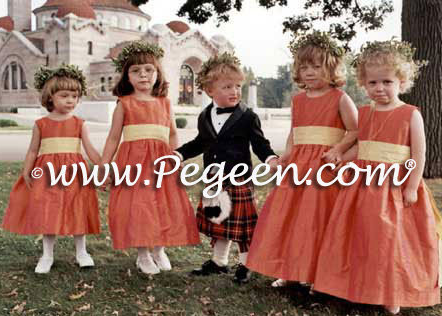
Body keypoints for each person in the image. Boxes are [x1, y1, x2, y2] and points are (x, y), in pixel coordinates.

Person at [313, 39, 442, 314]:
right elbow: (362, 147)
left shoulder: (409, 114)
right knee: (361, 236)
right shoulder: (365, 113)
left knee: (390, 241)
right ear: (363, 84)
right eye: (372, 83)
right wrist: (340, 159)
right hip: (362, 185)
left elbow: (419, 155)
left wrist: (412, 187)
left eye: (386, 82)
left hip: (394, 186)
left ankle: (392, 293)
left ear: (401, 82)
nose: (379, 88)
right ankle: (358, 287)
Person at [246, 31, 358, 288]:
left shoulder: (340, 98)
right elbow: (295, 133)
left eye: (316, 67)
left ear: (331, 68)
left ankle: (317, 272)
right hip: (299, 166)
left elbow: (356, 130)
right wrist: (287, 154)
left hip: (324, 167)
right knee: (291, 217)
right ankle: (290, 269)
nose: (309, 72)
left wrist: (339, 150)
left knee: (317, 219)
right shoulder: (298, 100)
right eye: (304, 67)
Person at [175, 52, 278, 284]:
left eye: (238, 86)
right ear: (210, 90)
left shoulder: (248, 116)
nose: (235, 91)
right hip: (214, 179)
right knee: (219, 221)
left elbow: (260, 144)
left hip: (239, 178)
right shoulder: (204, 116)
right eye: (227, 86)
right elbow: (200, 143)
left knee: (243, 226)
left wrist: (270, 158)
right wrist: (179, 154)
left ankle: (245, 263)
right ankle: (219, 262)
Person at [101, 41, 200, 275]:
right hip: (134, 163)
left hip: (161, 163)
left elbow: (173, 133)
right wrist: (105, 165)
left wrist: (176, 159)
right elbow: (114, 137)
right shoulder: (124, 104)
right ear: (127, 76)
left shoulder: (164, 103)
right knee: (139, 207)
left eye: (148, 69)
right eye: (136, 71)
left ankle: (159, 249)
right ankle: (143, 254)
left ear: (158, 73)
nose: (143, 74)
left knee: (161, 204)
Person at [2, 64, 100, 274]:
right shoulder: (41, 124)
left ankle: (81, 252)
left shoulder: (79, 123)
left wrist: (103, 165)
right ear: (50, 97)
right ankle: (47, 254)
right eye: (65, 95)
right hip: (47, 174)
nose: (70, 100)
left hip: (75, 173)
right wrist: (27, 171)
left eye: (74, 96)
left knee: (77, 209)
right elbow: (32, 151)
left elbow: (89, 149)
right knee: (49, 209)